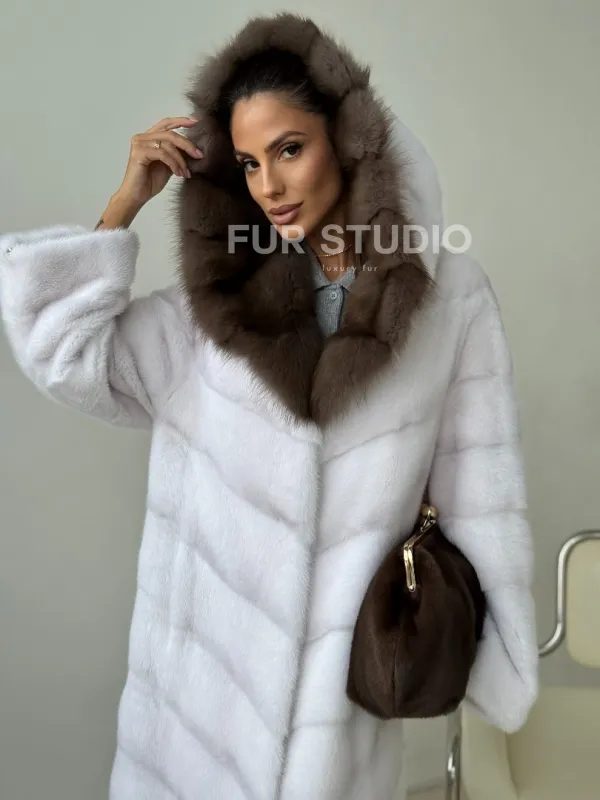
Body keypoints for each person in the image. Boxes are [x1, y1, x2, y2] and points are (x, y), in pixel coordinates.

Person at [0, 12, 538, 800]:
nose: (269, 187)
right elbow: (66, 356)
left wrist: (497, 658)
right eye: (250, 163)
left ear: (348, 140)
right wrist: (123, 204)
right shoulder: (213, 312)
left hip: (335, 727)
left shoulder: (447, 303)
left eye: (289, 149)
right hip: (192, 721)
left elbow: (478, 490)